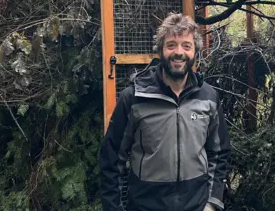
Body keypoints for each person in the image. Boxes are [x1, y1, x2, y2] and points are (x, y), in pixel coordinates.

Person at [99, 13, 231, 211]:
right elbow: (111, 162)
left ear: (195, 51)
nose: (179, 52)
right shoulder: (134, 98)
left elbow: (219, 154)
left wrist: (212, 204)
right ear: (160, 49)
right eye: (171, 45)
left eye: (186, 46)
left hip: (196, 206)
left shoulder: (208, 97)